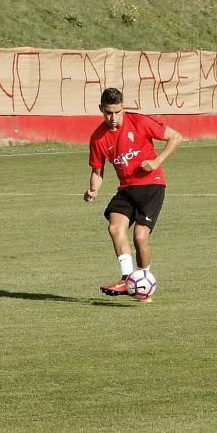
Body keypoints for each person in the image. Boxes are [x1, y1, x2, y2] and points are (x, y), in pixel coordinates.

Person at [83, 87, 183, 303]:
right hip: (126, 188)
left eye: (117, 112)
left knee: (139, 237)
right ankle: (127, 277)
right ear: (101, 109)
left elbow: (176, 137)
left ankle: (144, 283)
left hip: (151, 185)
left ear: (123, 108)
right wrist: (94, 189)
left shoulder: (139, 122)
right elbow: (97, 171)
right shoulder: (98, 138)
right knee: (114, 227)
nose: (113, 117)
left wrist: (156, 162)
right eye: (108, 112)